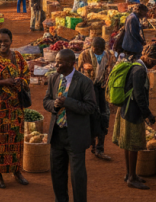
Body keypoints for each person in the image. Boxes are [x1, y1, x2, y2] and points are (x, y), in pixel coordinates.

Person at [0, 28, 32, 189]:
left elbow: (27, 76)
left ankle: (16, 171)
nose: (2, 44)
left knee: (15, 139)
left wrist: (20, 81)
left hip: (15, 107)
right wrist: (4, 82)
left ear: (11, 41)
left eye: (5, 41)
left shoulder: (18, 57)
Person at [43, 49, 97, 202]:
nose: (56, 65)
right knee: (57, 173)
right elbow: (46, 101)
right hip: (57, 134)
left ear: (70, 63)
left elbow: (90, 107)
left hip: (75, 135)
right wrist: (54, 104)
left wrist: (68, 102)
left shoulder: (84, 82)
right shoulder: (54, 78)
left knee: (77, 176)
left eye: (59, 62)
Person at [113, 48, 156, 190]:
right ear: (149, 59)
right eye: (155, 62)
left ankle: (130, 174)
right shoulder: (140, 71)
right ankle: (131, 177)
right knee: (133, 145)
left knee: (128, 144)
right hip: (132, 112)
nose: (154, 65)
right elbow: (139, 95)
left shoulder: (135, 65)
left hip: (127, 109)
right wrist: (148, 114)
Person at [76, 36, 114, 160]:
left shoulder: (108, 55)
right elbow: (78, 72)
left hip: (102, 88)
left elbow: (111, 71)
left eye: (98, 49)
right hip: (89, 89)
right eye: (94, 48)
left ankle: (100, 147)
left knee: (103, 115)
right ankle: (93, 145)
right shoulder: (84, 55)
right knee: (92, 116)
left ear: (103, 49)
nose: (96, 50)